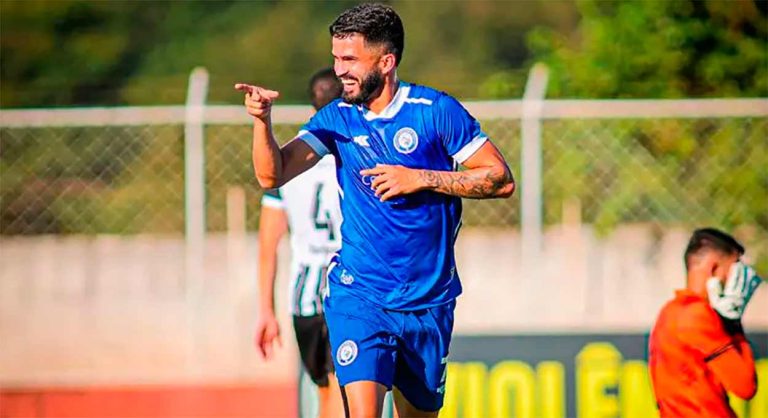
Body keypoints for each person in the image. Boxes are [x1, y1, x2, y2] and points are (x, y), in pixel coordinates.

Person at [236, 3, 515, 417]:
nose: (339, 70)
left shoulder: (435, 111)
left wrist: (421, 178)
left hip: (428, 302)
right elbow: (270, 175)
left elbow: (500, 179)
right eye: (336, 58)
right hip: (359, 294)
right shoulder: (336, 119)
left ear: (386, 62)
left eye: (350, 60)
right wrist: (262, 122)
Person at [253, 68, 344, 418]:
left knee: (325, 394)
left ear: (311, 108)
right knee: (348, 393)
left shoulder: (288, 163)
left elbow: (268, 245)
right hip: (349, 287)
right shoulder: (356, 154)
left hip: (305, 296)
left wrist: (266, 310)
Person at [649, 228, 763, 417]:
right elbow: (745, 386)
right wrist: (734, 323)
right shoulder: (698, 315)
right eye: (735, 271)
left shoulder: (669, 312)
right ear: (714, 268)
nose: (739, 281)